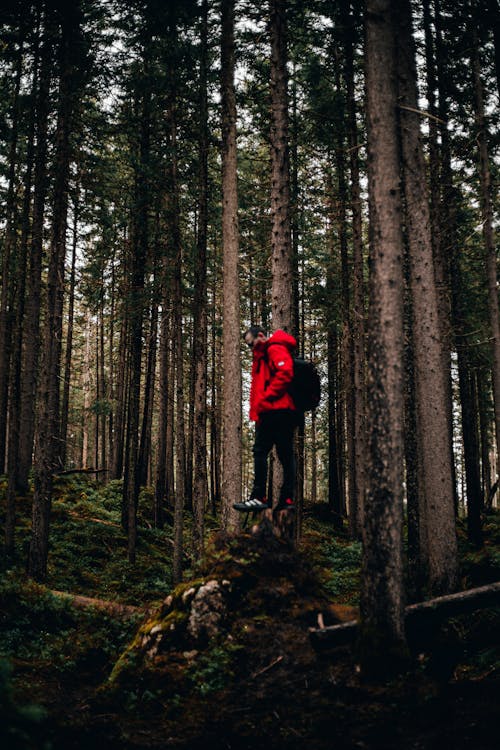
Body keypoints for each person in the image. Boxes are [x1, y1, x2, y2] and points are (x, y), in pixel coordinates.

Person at [233, 325, 298, 513]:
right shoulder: (262, 355)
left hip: (276, 411)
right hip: (273, 411)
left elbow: (285, 373)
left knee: (261, 451)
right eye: (248, 346)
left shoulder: (274, 348)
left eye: (251, 343)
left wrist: (265, 398)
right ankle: (286, 499)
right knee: (284, 454)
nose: (251, 348)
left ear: (260, 336)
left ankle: (259, 496)